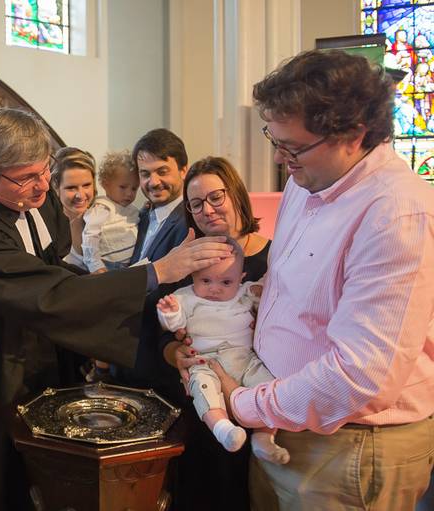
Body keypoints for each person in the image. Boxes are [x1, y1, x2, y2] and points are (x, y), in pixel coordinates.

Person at [0, 108, 233, 511]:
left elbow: (55, 271)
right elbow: (49, 293)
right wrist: (156, 272)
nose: (43, 186)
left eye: (45, 170)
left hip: (36, 355)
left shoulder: (35, 199)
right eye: (27, 177)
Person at [206, 49, 434, 509]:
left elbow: (361, 376)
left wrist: (246, 404)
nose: (279, 156)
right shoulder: (306, 179)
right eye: (274, 139)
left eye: (293, 146)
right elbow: (298, 286)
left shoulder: (396, 213)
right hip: (284, 419)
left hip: (347, 447)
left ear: (354, 134)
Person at [161, 155, 273, 510]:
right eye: (196, 204)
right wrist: (172, 352)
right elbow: (158, 323)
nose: (207, 210)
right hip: (201, 402)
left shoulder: (272, 257)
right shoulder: (187, 259)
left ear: (236, 193)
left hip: (256, 390)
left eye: (215, 197)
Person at [157, 239, 288, 464]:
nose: (215, 288)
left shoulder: (244, 292)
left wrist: (259, 292)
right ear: (193, 276)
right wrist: (169, 313)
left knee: (270, 388)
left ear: (241, 278)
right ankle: (222, 429)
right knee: (203, 389)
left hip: (244, 359)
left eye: (226, 282)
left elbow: (264, 294)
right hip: (204, 360)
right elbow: (174, 324)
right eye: (205, 280)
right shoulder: (186, 297)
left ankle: (263, 438)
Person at [82, 149, 140, 273]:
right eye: (123, 187)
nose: (129, 193)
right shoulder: (103, 207)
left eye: (134, 188)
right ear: (105, 184)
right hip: (108, 265)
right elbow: (90, 236)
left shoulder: (132, 209)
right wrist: (95, 264)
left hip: (131, 264)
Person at [49, 146, 97, 270]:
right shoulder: (48, 229)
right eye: (71, 188)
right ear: (55, 187)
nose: (80, 195)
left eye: (86, 185)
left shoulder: (103, 216)